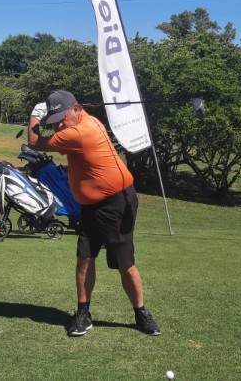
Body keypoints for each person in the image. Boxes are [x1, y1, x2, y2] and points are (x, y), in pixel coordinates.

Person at [28, 90, 160, 337]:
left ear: (76, 109)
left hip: (116, 203)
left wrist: (35, 116)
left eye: (61, 119)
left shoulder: (80, 132)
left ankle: (141, 313)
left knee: (124, 262)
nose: (58, 126)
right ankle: (83, 313)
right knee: (85, 257)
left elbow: (35, 143)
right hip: (90, 205)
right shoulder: (84, 120)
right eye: (53, 121)